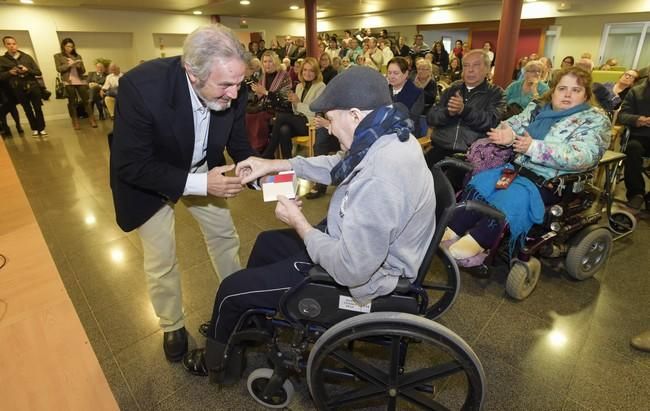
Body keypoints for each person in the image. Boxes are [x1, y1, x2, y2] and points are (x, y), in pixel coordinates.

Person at [180, 66, 436, 380]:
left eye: (330, 119)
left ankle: (218, 363)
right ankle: (254, 318)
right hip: (354, 243)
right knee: (266, 243)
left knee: (231, 289)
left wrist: (300, 222)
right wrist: (275, 163)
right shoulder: (390, 134)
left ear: (355, 115)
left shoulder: (382, 177)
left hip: (363, 278)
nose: (328, 128)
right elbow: (339, 166)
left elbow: (350, 271)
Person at [109, 24, 257, 363]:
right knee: (161, 257)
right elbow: (132, 165)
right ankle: (172, 324)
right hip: (150, 179)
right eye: (225, 85)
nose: (235, 94)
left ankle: (239, 304)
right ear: (192, 72)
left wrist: (262, 177)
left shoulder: (234, 84)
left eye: (239, 83)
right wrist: (201, 184)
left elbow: (238, 144)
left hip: (204, 168)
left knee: (224, 237)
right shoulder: (141, 88)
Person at [443, 66, 610, 264]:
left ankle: (478, 242)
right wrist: (507, 134)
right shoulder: (538, 108)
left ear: (586, 95)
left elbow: (583, 156)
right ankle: (451, 230)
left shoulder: (594, 120)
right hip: (517, 169)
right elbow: (512, 124)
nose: (567, 94)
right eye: (562, 88)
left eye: (576, 90)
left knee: (509, 198)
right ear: (553, 90)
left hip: (551, 181)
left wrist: (533, 147)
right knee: (479, 185)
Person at [424, 49, 506, 168]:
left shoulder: (495, 93)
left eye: (476, 65)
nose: (470, 70)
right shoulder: (452, 89)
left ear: (488, 69)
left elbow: (491, 122)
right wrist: (448, 112)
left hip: (471, 155)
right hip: (440, 147)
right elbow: (431, 117)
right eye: (466, 66)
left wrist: (464, 111)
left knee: (446, 182)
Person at [262, 57, 326, 159]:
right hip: (299, 121)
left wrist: (297, 103)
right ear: (301, 71)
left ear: (316, 72)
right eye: (305, 70)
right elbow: (296, 111)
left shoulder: (321, 86)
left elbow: (314, 111)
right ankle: (288, 163)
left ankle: (269, 152)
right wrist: (293, 102)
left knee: (281, 117)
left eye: (311, 70)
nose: (307, 73)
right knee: (284, 129)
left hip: (311, 124)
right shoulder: (299, 86)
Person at [245, 50, 291, 154]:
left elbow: (284, 100)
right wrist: (257, 94)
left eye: (270, 61)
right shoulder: (263, 76)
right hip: (263, 106)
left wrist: (265, 92)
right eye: (265, 62)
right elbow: (258, 96)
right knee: (247, 116)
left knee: (259, 117)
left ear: (276, 62)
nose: (267, 64)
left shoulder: (284, 76)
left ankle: (261, 149)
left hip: (279, 109)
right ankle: (252, 148)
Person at [0, 36, 46, 137]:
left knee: (38, 108)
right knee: (27, 109)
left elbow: (38, 72)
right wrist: (10, 72)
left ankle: (41, 128)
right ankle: (34, 128)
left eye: (13, 43)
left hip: (33, 85)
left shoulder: (27, 57)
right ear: (5, 45)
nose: (12, 46)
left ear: (17, 44)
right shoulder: (2, 60)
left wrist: (27, 69)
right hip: (18, 87)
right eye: (9, 44)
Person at [617, 72, 650, 210]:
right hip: (638, 136)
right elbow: (622, 116)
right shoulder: (636, 92)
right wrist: (638, 120)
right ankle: (636, 193)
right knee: (632, 148)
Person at [54, 38, 96, 129]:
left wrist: (78, 66)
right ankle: (75, 121)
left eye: (72, 46)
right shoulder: (58, 56)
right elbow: (59, 69)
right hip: (68, 81)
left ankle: (92, 119)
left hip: (79, 80)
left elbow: (83, 70)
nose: (70, 48)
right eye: (68, 46)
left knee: (86, 100)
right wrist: (70, 65)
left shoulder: (77, 56)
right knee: (72, 102)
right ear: (63, 46)